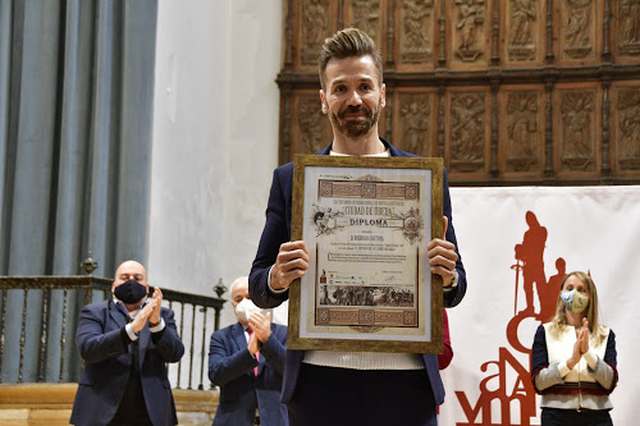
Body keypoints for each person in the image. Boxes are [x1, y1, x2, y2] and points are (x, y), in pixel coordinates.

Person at [249, 28, 467, 426]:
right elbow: (259, 286)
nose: (354, 99)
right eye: (340, 88)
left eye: (365, 86)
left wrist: (448, 275)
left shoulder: (423, 181)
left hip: (406, 385)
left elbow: (457, 289)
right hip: (319, 385)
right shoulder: (292, 180)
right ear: (323, 99)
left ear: (382, 94)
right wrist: (279, 276)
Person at [70, 260, 185, 426]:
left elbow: (175, 354)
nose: (131, 281)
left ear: (146, 287)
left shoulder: (163, 315)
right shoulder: (95, 312)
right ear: (113, 285)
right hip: (101, 407)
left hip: (150, 410)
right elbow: (88, 349)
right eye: (125, 277)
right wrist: (130, 330)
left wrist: (156, 325)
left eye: (138, 278)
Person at [531, 271, 618, 425]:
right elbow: (539, 382)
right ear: (561, 294)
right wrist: (570, 362)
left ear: (590, 296)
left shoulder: (605, 334)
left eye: (581, 289)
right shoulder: (545, 331)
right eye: (569, 288)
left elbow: (610, 382)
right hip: (556, 417)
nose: (574, 294)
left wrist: (588, 355)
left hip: (598, 417)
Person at [208, 277, 288, 426]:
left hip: (275, 418)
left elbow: (291, 371)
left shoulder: (283, 333)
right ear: (233, 304)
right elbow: (216, 374)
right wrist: (248, 354)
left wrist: (268, 340)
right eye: (239, 299)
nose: (245, 302)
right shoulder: (221, 337)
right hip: (234, 419)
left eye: (250, 297)